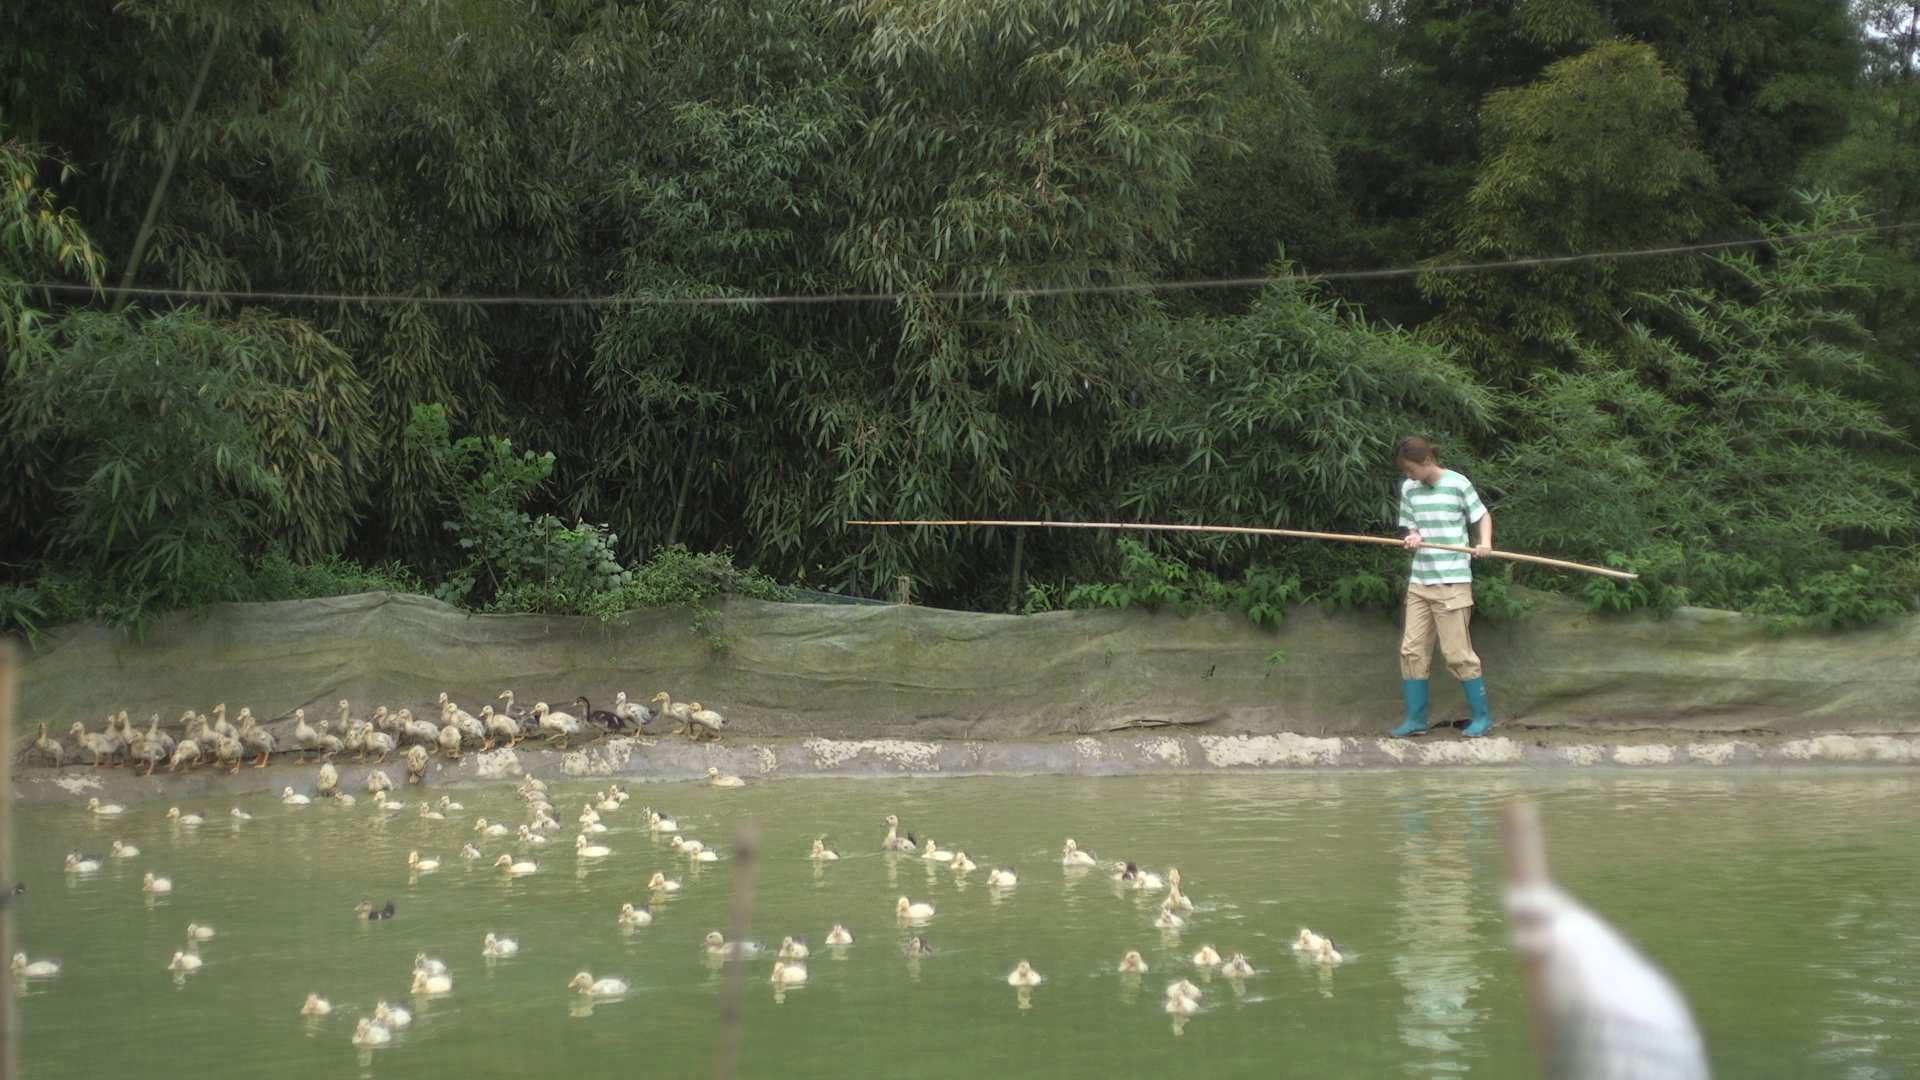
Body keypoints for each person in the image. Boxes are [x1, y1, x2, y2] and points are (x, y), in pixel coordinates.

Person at [1390, 436, 1494, 737]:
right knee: (1411, 651)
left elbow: (1482, 515)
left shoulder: (1457, 483)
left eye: (1412, 470)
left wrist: (1484, 543)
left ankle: (1482, 718)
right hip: (1420, 581)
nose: (1409, 476)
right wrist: (1413, 536)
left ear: (1426, 462)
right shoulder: (1409, 488)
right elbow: (1412, 524)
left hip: (1452, 581)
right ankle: (1416, 720)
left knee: (1457, 654)